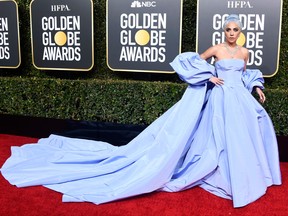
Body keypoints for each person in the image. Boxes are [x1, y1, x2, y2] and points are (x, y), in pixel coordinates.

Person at [0, 14, 281, 208]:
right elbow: (190, 61)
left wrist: (257, 87)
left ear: (240, 32)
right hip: (219, 100)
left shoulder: (244, 53)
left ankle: (240, 175)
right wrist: (208, 77)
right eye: (228, 29)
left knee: (243, 134)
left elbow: (246, 74)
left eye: (235, 29)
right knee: (215, 138)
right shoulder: (217, 49)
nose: (232, 33)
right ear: (224, 32)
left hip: (239, 100)